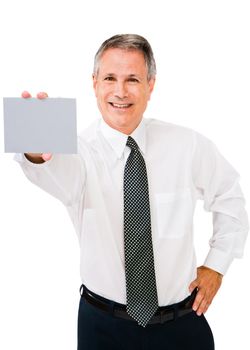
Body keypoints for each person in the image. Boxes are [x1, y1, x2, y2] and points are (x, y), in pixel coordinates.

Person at [16, 34, 248, 350]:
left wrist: (217, 265)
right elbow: (53, 171)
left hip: (182, 323)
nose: (120, 92)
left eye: (133, 79)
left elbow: (229, 194)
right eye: (110, 78)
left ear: (150, 85)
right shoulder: (77, 152)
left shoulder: (187, 144)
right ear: (94, 83)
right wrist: (35, 150)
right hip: (104, 328)